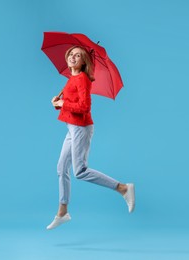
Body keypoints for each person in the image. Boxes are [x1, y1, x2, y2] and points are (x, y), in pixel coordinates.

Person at [47, 46, 135, 230]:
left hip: (81, 128)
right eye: (71, 54)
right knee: (61, 167)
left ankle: (123, 188)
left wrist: (64, 103)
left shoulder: (83, 80)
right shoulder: (72, 78)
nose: (73, 57)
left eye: (78, 56)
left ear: (83, 62)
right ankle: (63, 212)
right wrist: (57, 103)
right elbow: (71, 105)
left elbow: (84, 107)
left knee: (79, 171)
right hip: (72, 128)